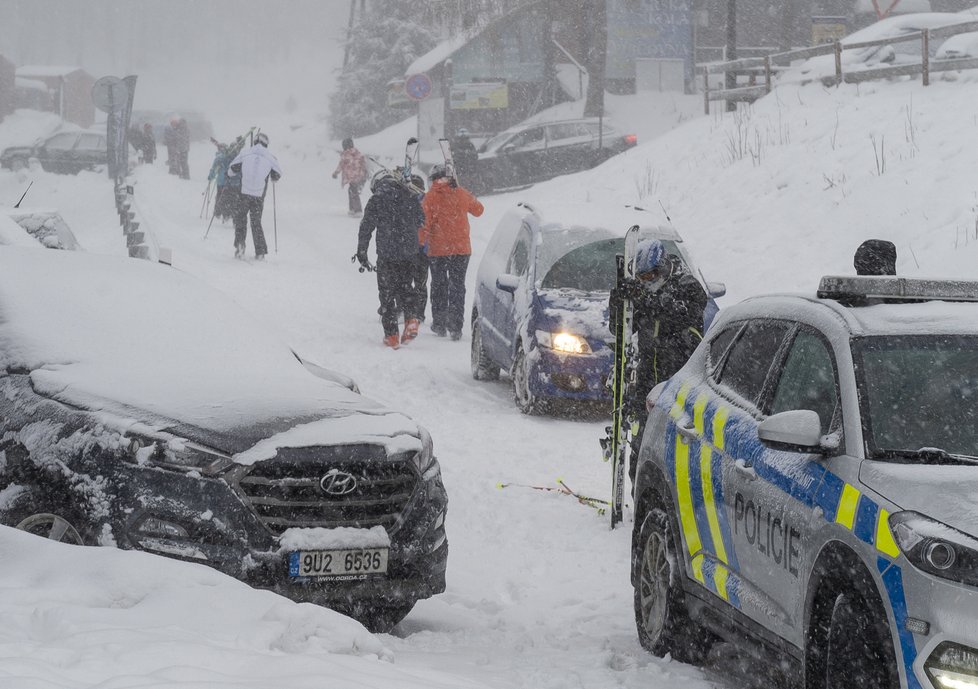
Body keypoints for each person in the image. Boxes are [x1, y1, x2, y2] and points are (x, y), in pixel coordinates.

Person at [609, 239, 707, 483]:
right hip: (647, 383)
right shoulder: (645, 295)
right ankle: (639, 504)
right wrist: (618, 299)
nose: (649, 281)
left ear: (663, 267)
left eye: (652, 275)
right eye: (642, 278)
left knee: (676, 455)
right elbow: (618, 328)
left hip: (681, 386)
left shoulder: (688, 286)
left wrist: (645, 297)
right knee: (642, 452)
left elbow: (680, 316)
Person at [356, 171, 426, 349]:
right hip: (409, 252)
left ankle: (392, 335)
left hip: (387, 253)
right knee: (406, 287)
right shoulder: (409, 195)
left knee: (386, 293)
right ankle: (411, 320)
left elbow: (366, 227)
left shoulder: (377, 199)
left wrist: (362, 252)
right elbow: (421, 220)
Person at [420, 164, 484, 340]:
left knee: (439, 286)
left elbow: (424, 224)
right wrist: (465, 195)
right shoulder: (461, 193)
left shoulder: (430, 198)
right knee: (458, 287)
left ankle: (439, 323)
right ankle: (456, 327)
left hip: (438, 250)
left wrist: (419, 244)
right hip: (461, 250)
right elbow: (479, 210)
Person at [228, 132, 282, 261]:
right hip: (258, 195)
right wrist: (272, 177)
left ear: (255, 142)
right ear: (266, 143)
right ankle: (260, 251)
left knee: (241, 219)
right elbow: (277, 174)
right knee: (256, 222)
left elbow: (232, 169)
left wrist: (230, 174)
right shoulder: (271, 158)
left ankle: (240, 246)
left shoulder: (245, 153)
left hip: (244, 193)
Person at [333, 138, 369, 217]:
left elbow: (341, 165)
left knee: (354, 192)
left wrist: (335, 173)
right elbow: (364, 163)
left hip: (352, 177)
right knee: (351, 191)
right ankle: (352, 209)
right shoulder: (358, 153)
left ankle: (357, 210)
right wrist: (366, 172)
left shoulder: (345, 155)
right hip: (360, 176)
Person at [207, 142, 235, 221]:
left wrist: (210, 177)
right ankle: (227, 213)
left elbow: (213, 169)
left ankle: (218, 212)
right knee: (228, 197)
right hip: (229, 181)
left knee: (219, 196)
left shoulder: (219, 157)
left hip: (221, 181)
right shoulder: (230, 156)